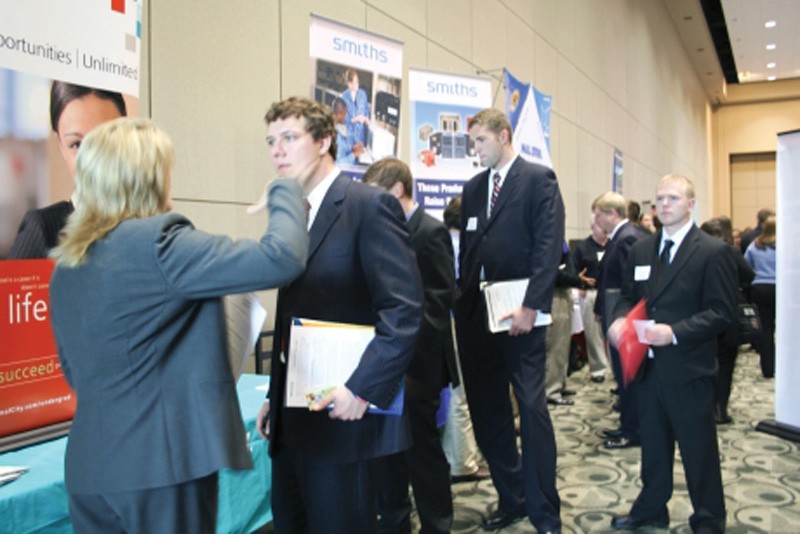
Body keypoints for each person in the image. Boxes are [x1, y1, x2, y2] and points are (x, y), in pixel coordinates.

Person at [48, 117, 308, 532]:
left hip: (88, 468)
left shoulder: (67, 264)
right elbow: (281, 257)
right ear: (148, 178)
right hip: (159, 469)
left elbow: (73, 371)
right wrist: (287, 190)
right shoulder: (160, 243)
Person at [254, 97, 423, 533]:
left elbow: (402, 313)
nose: (277, 151)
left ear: (325, 140)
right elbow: (295, 311)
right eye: (272, 141)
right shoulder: (290, 213)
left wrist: (362, 390)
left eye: (289, 138)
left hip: (343, 420)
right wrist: (276, 395)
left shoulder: (368, 206)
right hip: (293, 423)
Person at [454, 108, 564, 533]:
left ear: (503, 135)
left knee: (532, 410)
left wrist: (532, 305)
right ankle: (512, 496)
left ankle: (543, 510)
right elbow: (469, 251)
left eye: (481, 141)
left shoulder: (538, 180)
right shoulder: (474, 187)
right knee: (487, 412)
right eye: (471, 143)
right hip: (477, 315)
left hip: (522, 314)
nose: (475, 150)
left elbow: (547, 248)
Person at [608, 173, 736, 533]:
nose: (664, 205)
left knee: (699, 455)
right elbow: (630, 299)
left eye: (673, 199)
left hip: (689, 371)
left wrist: (674, 334)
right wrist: (619, 321)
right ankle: (651, 510)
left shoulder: (713, 252)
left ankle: (709, 520)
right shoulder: (641, 250)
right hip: (647, 371)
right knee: (653, 449)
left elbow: (722, 313)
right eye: (659, 199)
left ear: (691, 204)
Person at [363, 157, 455, 534]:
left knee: (423, 455)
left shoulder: (430, 231)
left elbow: (439, 301)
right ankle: (395, 524)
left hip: (418, 368)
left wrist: (403, 350)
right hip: (383, 363)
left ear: (398, 190)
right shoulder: (378, 229)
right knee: (387, 456)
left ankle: (437, 525)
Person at [10, 81, 127, 259]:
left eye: (105, 139)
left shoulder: (154, 230)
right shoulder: (44, 231)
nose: (92, 160)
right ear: (61, 146)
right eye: (77, 144)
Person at [440, 196, 490, 484]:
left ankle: (463, 457)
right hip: (457, 324)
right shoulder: (460, 247)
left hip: (451, 323)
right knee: (460, 395)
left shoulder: (443, 240)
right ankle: (461, 463)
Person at [592, 192, 647, 449]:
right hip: (616, 315)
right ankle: (628, 426)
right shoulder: (622, 237)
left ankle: (632, 430)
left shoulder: (626, 239)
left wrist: (622, 318)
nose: (596, 219)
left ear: (613, 214)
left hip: (623, 318)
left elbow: (629, 285)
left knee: (628, 377)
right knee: (624, 376)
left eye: (598, 214)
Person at [700, 217, 754, 423]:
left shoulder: (697, 253)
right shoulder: (731, 252)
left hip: (703, 315)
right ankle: (719, 408)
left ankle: (706, 405)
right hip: (729, 313)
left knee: (706, 362)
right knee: (726, 363)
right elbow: (749, 274)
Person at [571, 218, 609, 383]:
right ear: (592, 228)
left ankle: (613, 367)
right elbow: (574, 270)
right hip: (590, 293)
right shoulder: (582, 248)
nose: (604, 230)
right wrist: (579, 283)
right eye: (600, 227)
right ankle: (598, 368)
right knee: (593, 333)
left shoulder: (613, 245)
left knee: (610, 332)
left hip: (609, 293)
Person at [544, 243, 582, 406]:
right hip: (555, 295)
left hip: (563, 293)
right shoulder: (546, 238)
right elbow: (551, 271)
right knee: (556, 346)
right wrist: (576, 279)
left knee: (563, 344)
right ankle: (552, 390)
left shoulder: (557, 237)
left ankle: (559, 383)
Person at [745, 214, 776, 379]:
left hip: (760, 288)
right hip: (782, 289)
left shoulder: (755, 246)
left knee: (766, 330)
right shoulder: (788, 244)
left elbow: (746, 266)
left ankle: (768, 368)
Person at [341, 68, 371, 152]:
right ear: (349, 83)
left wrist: (366, 120)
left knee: (360, 159)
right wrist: (355, 119)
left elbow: (366, 112)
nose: (357, 85)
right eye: (354, 83)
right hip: (349, 138)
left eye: (357, 82)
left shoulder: (363, 94)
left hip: (361, 137)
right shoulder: (343, 97)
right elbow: (343, 121)